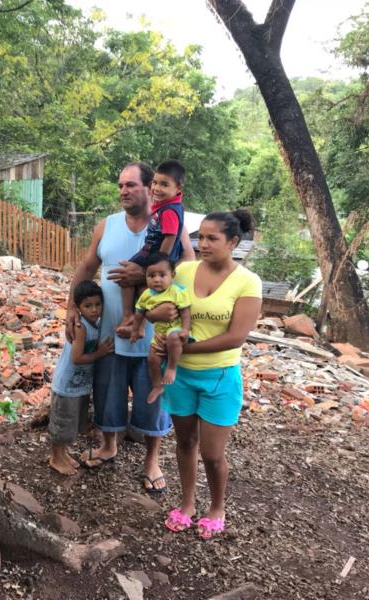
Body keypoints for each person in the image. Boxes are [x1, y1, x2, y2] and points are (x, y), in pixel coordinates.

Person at [65, 161, 194, 494]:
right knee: (108, 391)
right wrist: (70, 307)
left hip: (155, 336)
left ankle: (152, 459)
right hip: (110, 330)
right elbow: (88, 266)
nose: (123, 191)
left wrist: (147, 277)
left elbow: (190, 268)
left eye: (131, 185)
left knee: (152, 395)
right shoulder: (106, 225)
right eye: (120, 185)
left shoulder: (170, 223)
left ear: (150, 187)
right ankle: (109, 444)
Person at [148, 210, 261, 538]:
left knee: (212, 455)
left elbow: (236, 336)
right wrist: (158, 327)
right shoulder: (182, 270)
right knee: (185, 443)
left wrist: (180, 350)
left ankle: (216, 507)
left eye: (213, 238)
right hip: (179, 376)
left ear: (233, 242)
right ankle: (187, 504)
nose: (203, 244)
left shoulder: (247, 281)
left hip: (219, 378)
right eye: (201, 237)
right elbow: (159, 307)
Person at [49, 281, 114, 475]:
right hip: (67, 385)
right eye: (88, 306)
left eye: (97, 304)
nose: (94, 310)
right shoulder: (80, 326)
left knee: (72, 422)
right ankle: (55, 457)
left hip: (79, 385)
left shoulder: (96, 323)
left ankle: (63, 453)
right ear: (78, 308)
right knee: (62, 423)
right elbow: (77, 358)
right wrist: (100, 352)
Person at [117, 160, 186, 340]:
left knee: (126, 275)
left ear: (178, 188)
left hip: (155, 254)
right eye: (155, 183)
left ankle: (128, 316)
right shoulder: (166, 206)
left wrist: (158, 264)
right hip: (153, 251)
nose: (157, 188)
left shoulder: (170, 211)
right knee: (143, 288)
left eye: (164, 184)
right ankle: (139, 325)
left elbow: (170, 237)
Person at [127, 252, 191, 405]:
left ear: (172, 275)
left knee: (174, 338)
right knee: (152, 360)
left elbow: (185, 312)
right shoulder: (146, 295)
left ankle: (171, 368)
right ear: (145, 276)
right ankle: (157, 385)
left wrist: (185, 329)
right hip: (158, 334)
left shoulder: (176, 292)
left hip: (174, 329)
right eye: (151, 275)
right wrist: (135, 330)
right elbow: (139, 314)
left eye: (162, 275)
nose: (157, 279)